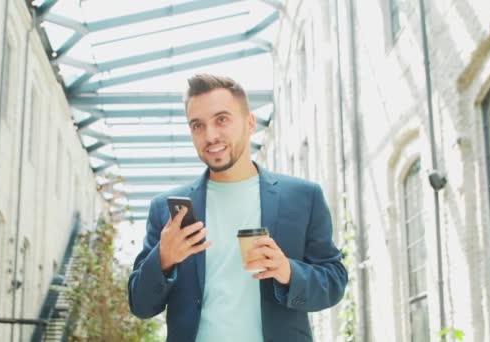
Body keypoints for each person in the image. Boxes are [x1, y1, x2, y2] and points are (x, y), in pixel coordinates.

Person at [128, 74, 348, 342]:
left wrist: (288, 272)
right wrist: (163, 259)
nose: (210, 136)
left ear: (250, 123)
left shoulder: (303, 197)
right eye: (198, 125)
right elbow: (140, 305)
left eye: (222, 119)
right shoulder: (166, 210)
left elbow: (334, 281)